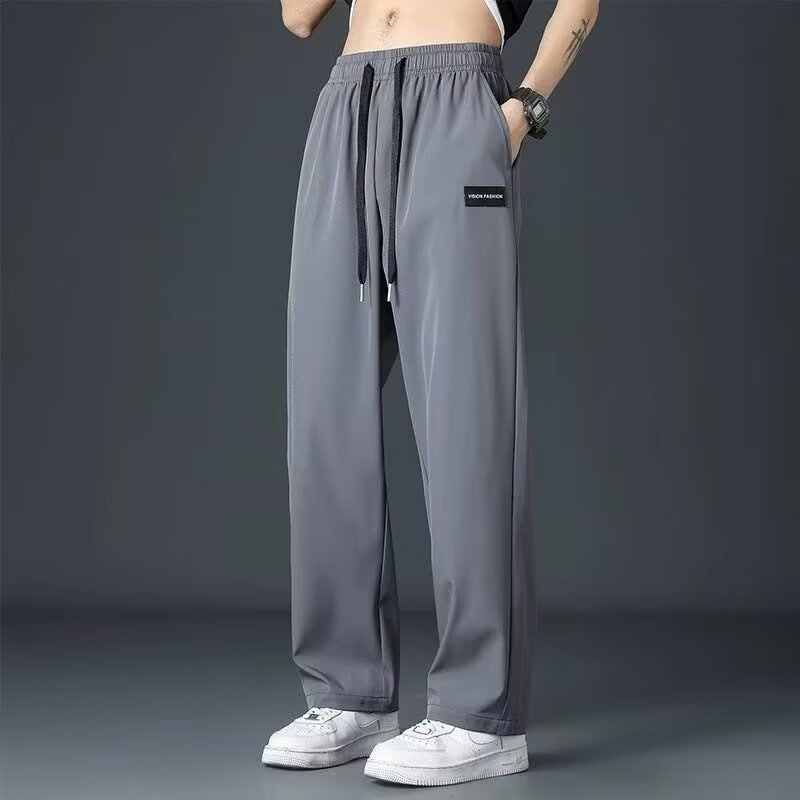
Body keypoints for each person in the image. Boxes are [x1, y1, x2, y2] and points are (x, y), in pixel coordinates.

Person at [263, 0, 598, 786]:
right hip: (349, 103)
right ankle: (349, 692)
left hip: (459, 104)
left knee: (465, 412)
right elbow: (298, 16)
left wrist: (522, 109)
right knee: (323, 410)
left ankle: (481, 713)